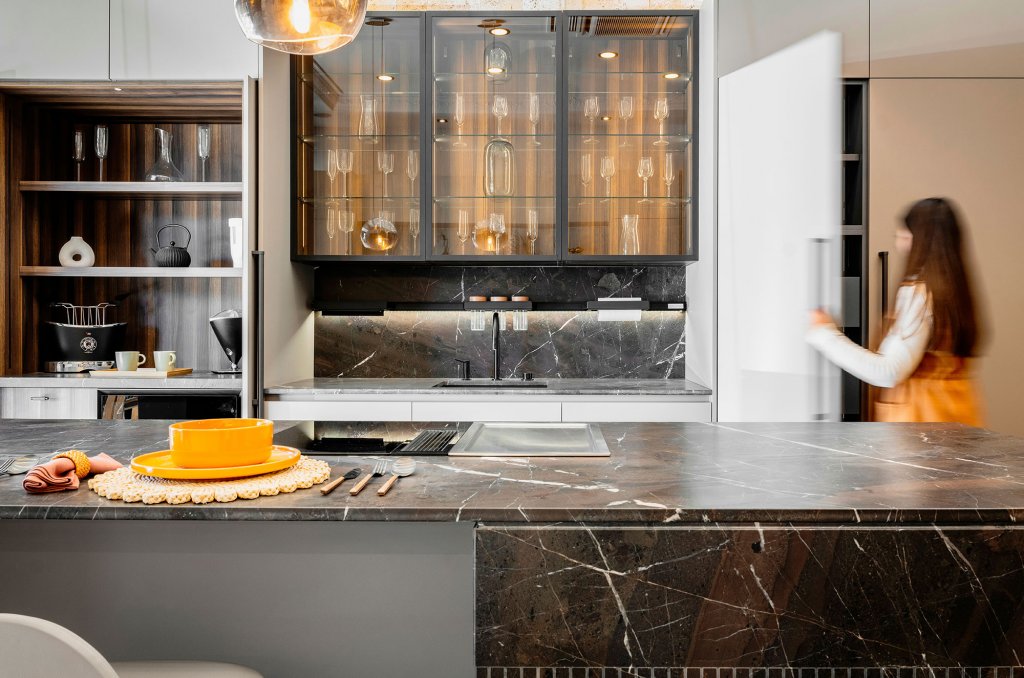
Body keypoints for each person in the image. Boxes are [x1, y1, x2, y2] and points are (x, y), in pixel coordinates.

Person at [807, 197, 984, 425]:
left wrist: (824, 334)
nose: (899, 245)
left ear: (917, 240)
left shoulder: (920, 294)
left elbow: (889, 372)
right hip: (958, 425)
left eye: (902, 236)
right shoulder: (955, 293)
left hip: (922, 435)